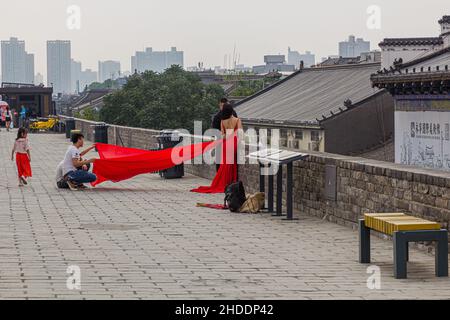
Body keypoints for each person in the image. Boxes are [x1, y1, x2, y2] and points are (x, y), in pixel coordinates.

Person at [191, 103, 242, 194]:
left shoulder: (222, 121)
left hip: (225, 143)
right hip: (234, 143)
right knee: (231, 164)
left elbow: (222, 135)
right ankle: (231, 182)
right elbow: (240, 133)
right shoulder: (237, 120)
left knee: (225, 164)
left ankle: (224, 183)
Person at [211, 98, 237, 171]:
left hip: (221, 142)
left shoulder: (218, 116)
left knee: (220, 162)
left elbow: (214, 132)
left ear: (220, 105)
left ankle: (220, 177)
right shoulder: (234, 114)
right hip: (231, 142)